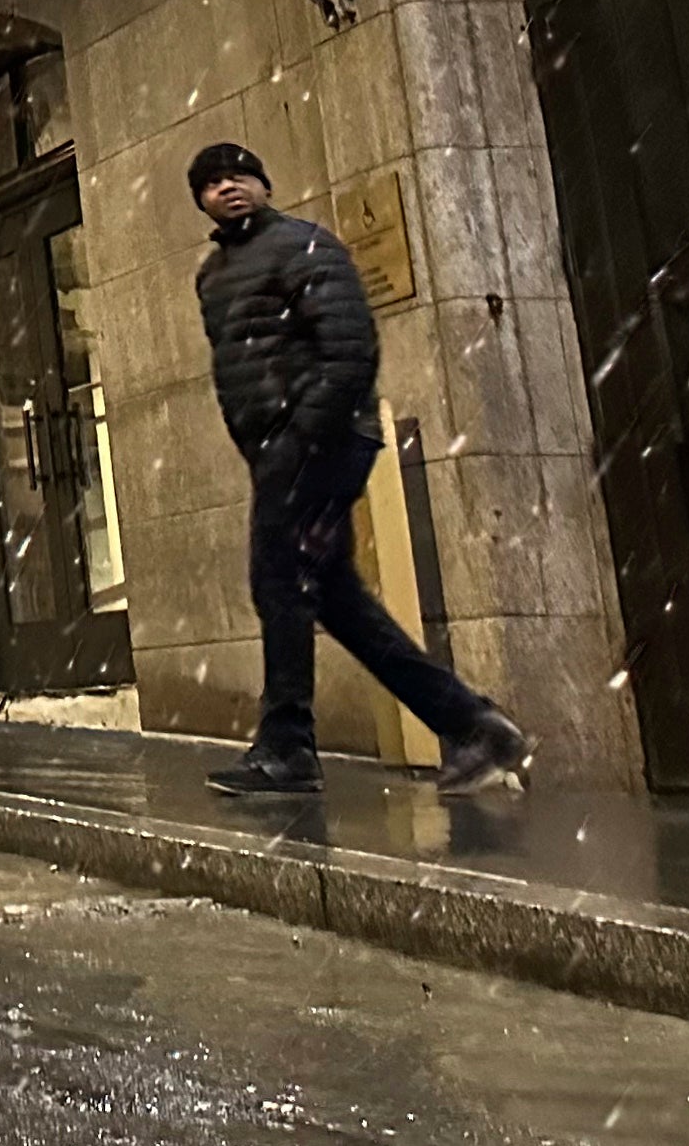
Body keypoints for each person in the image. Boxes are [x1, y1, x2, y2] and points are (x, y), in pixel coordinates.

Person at [189, 142, 533, 795]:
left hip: (319, 443)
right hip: (281, 450)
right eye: (210, 182)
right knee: (334, 597)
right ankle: (473, 725)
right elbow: (234, 375)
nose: (227, 187)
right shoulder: (212, 276)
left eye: (238, 174)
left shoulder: (303, 245)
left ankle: (287, 745)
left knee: (277, 580)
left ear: (262, 182)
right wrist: (264, 448)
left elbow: (349, 352)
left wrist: (298, 437)